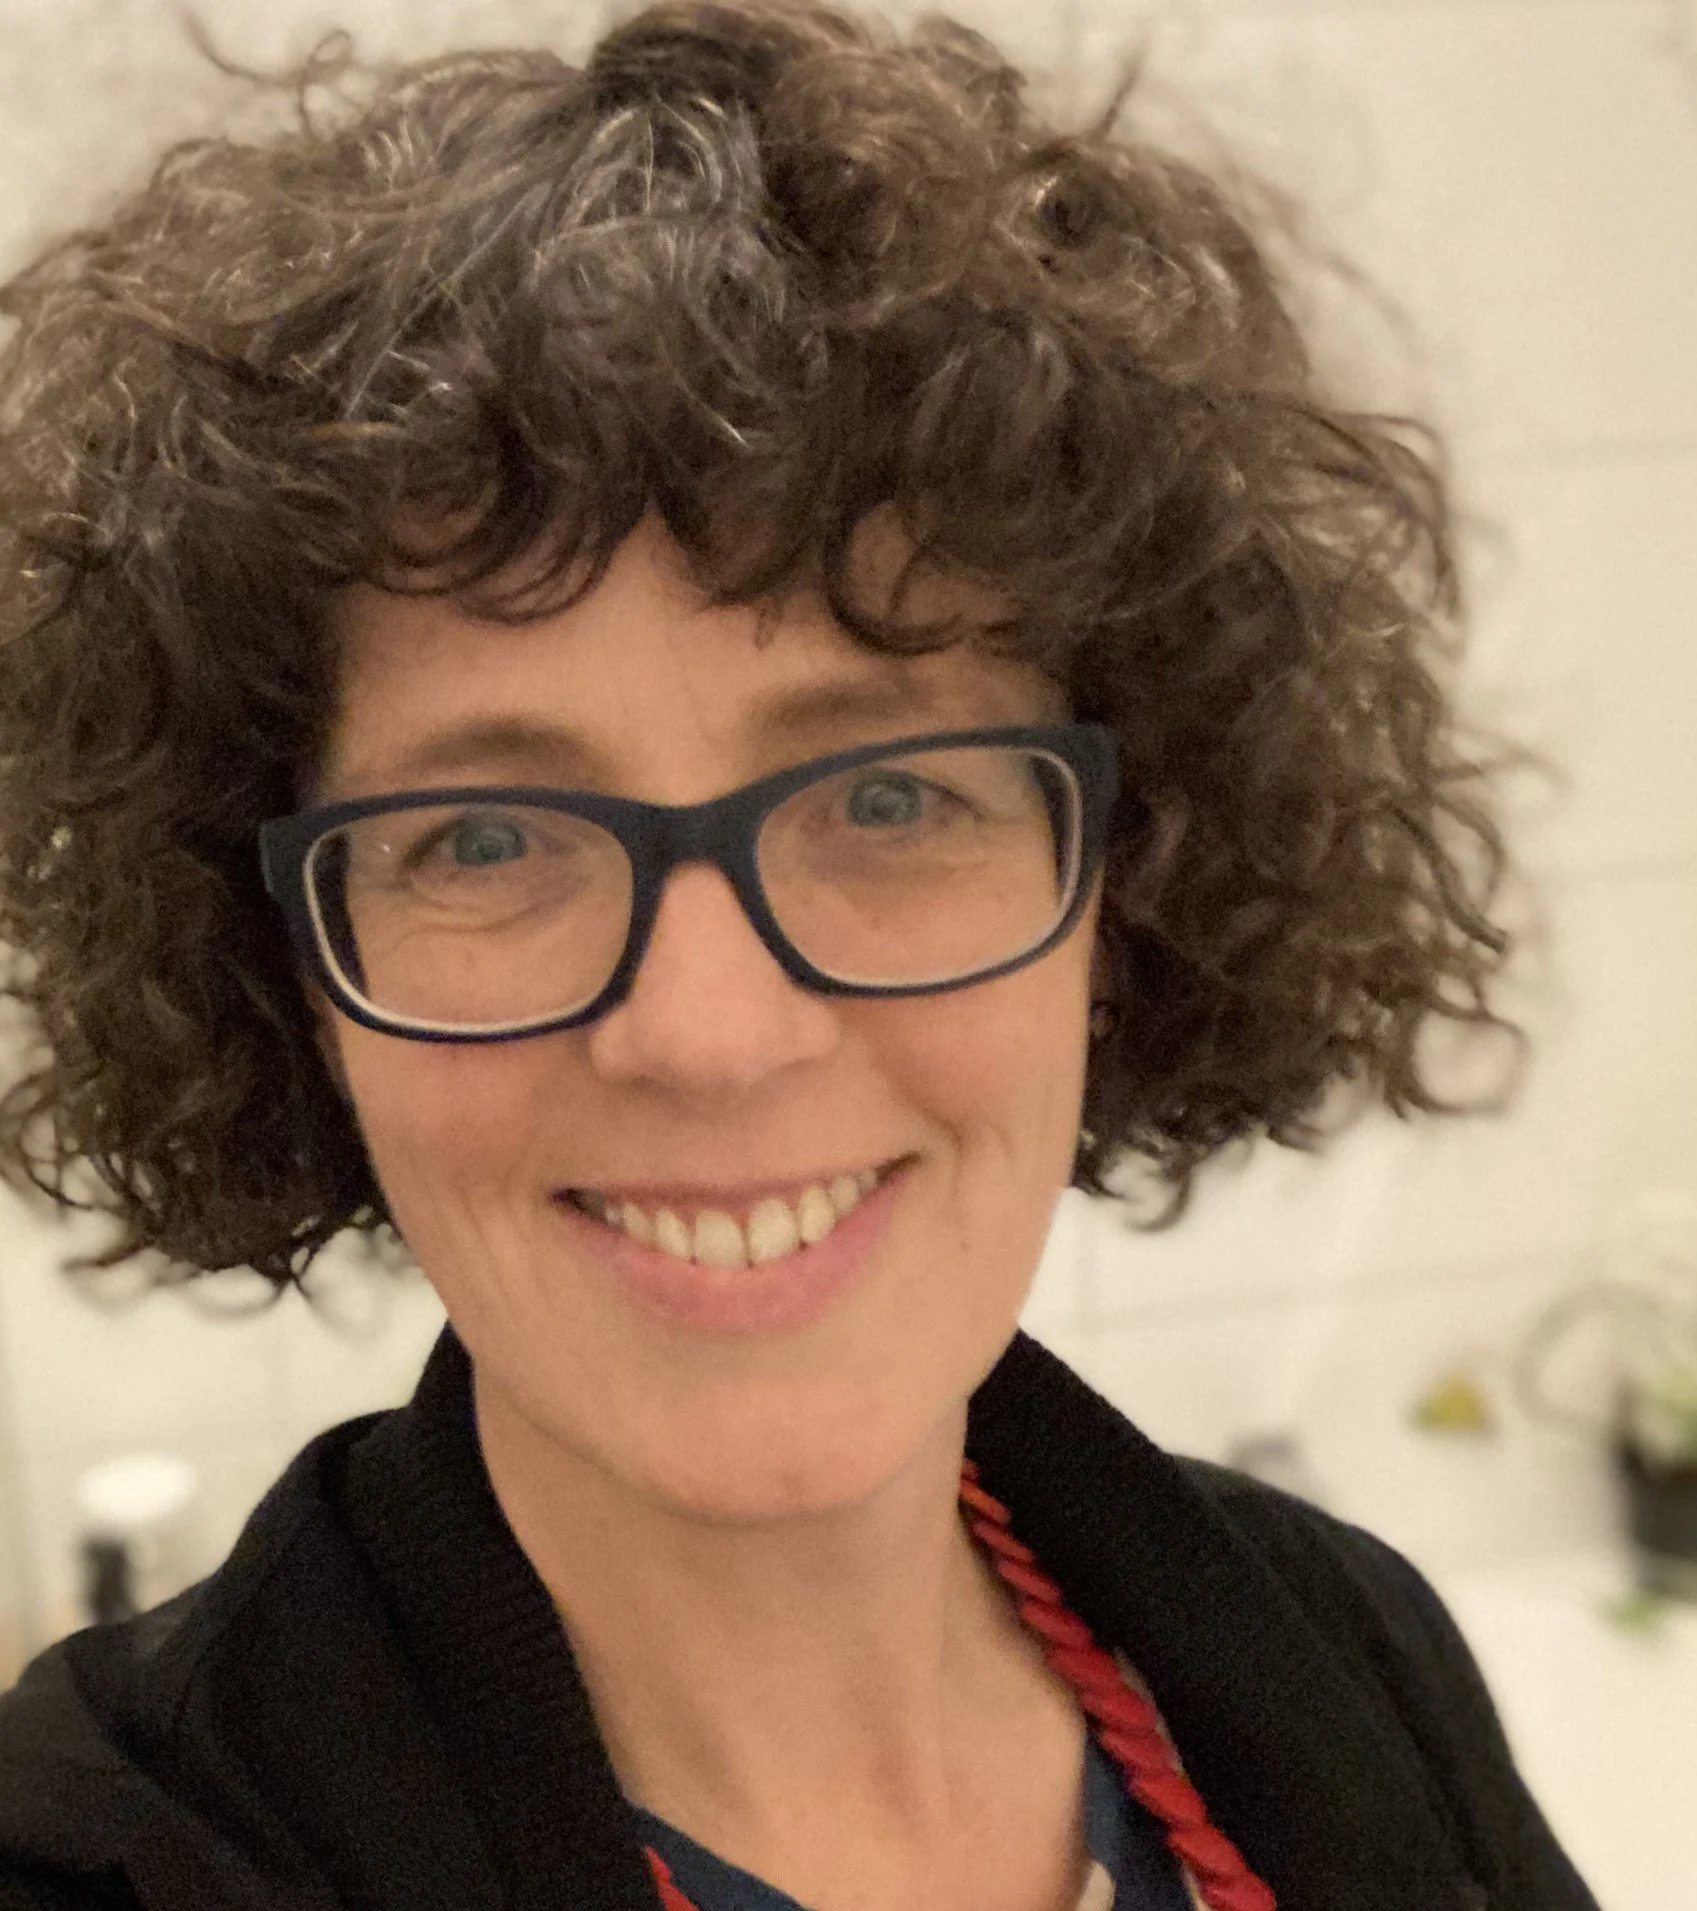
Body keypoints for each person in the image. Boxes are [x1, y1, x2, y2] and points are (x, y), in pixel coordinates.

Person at [0, 4, 1596, 1908]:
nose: (710, 1029)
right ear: (293, 982)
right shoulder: (98, 1855)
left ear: (1129, 876)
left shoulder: (1356, 1656)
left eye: (893, 801)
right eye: (488, 838)